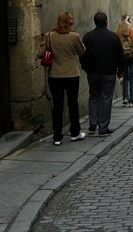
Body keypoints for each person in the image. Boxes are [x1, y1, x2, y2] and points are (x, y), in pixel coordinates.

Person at [39, 12, 86, 146]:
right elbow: (82, 52)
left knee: (57, 105)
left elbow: (39, 54)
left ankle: (57, 136)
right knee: (72, 103)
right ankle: (75, 132)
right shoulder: (74, 36)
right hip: (71, 74)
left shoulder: (49, 36)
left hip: (55, 74)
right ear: (70, 22)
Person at [80, 12, 125, 135]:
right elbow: (120, 55)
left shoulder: (88, 37)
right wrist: (121, 70)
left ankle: (93, 123)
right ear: (106, 22)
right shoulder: (113, 37)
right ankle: (103, 126)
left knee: (94, 96)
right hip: (108, 73)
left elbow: (82, 55)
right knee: (106, 98)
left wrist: (86, 68)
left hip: (93, 73)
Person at [116, 15, 133, 108]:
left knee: (125, 77)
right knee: (132, 78)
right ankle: (132, 101)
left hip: (122, 57)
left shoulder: (118, 33)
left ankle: (125, 97)